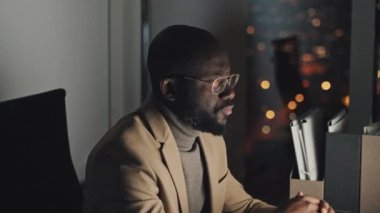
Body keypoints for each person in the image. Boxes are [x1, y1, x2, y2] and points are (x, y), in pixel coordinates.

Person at [83, 25, 334, 213]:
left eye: (229, 79)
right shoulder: (125, 157)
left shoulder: (206, 136)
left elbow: (241, 206)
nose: (230, 92)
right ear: (170, 89)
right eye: (216, 83)